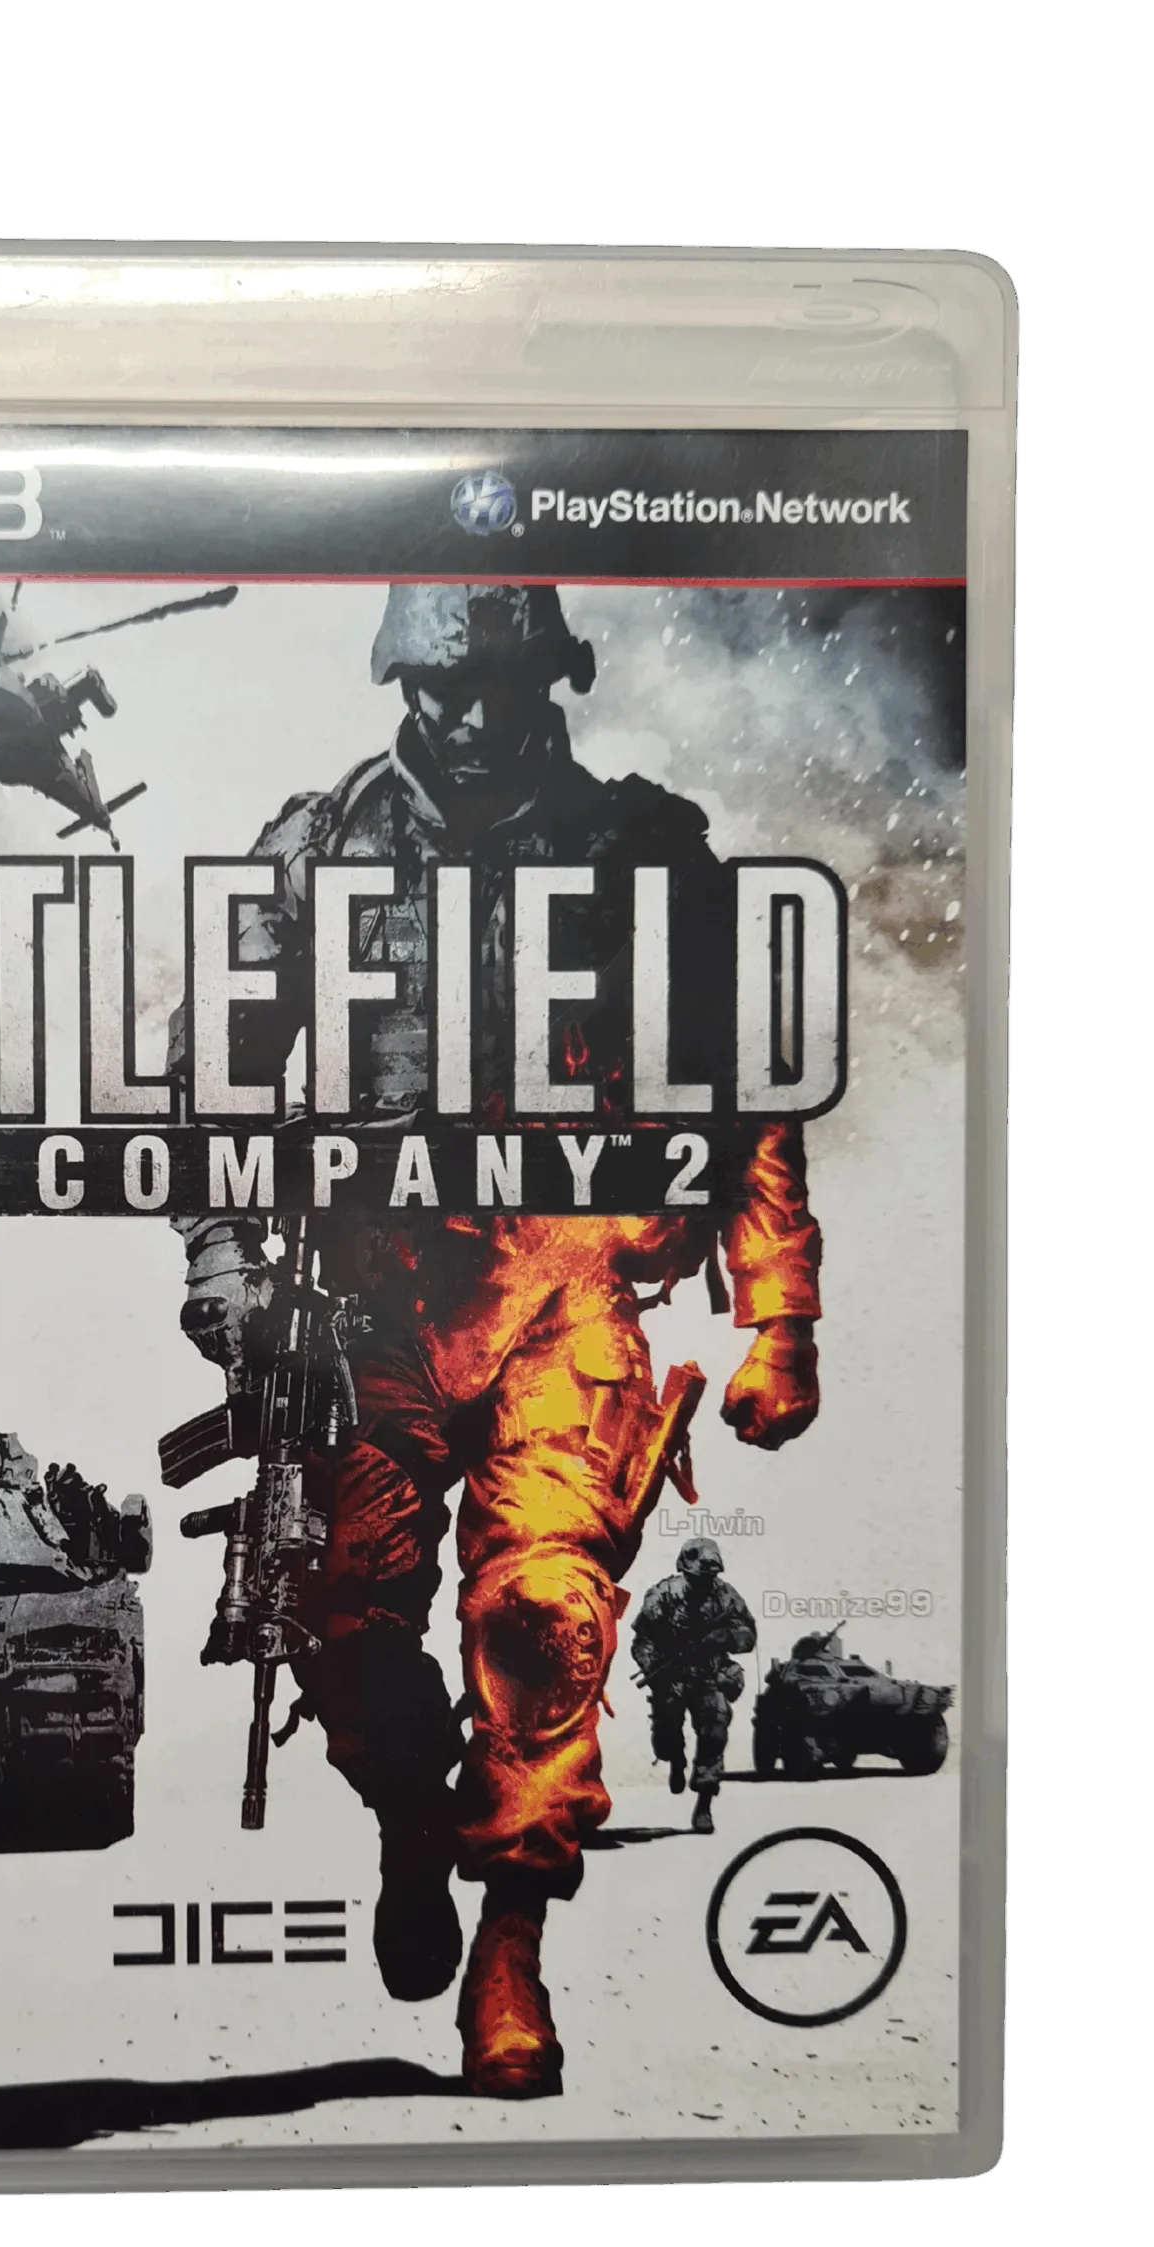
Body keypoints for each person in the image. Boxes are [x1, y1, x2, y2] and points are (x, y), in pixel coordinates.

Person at [173, 584, 823, 2099]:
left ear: (554, 682)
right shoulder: (317, 851)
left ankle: (511, 1944)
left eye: (505, 686)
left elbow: (748, 1088)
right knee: (344, 1631)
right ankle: (414, 1820)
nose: (472, 718)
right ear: (399, 684)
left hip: (567, 1294)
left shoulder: (646, 851)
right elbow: (217, 1074)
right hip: (367, 1304)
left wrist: (778, 1314)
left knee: (544, 1621)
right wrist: (221, 1256)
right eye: (442, 689)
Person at [630, 1537, 756, 1833]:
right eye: (698, 1578)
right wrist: (653, 1669)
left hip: (710, 1675)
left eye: (709, 1579)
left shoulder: (726, 1596)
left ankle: (704, 1803)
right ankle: (676, 1759)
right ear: (685, 1571)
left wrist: (727, 1638)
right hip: (672, 1677)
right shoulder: (662, 1595)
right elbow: (642, 1641)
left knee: (715, 1730)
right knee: (665, 1736)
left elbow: (748, 1635)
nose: (703, 1584)